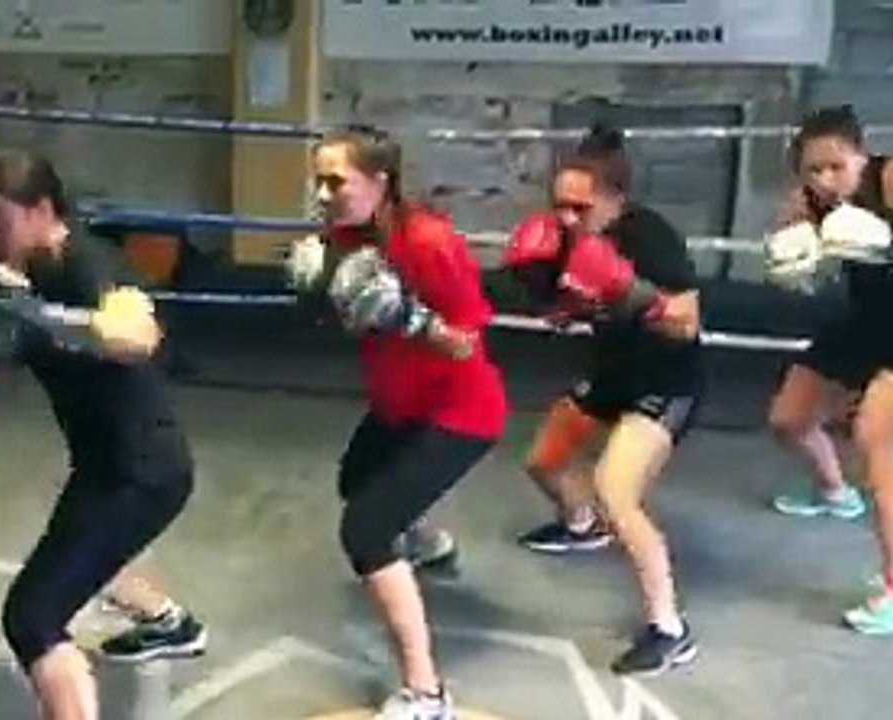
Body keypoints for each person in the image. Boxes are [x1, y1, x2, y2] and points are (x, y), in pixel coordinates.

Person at [0, 148, 205, 718]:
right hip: (105, 463)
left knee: (33, 617)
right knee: (89, 548)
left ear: (41, 209)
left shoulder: (88, 263)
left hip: (140, 474)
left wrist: (34, 316)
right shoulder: (18, 266)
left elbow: (137, 334)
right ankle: (170, 624)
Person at [291, 127, 506, 719]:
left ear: (380, 182)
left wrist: (409, 317)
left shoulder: (429, 241)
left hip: (461, 412)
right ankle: (427, 544)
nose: (325, 192)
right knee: (357, 478)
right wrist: (316, 290)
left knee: (363, 531)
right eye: (319, 181)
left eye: (337, 181)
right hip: (399, 405)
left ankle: (427, 693)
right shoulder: (343, 239)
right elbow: (331, 318)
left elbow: (465, 342)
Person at [502, 124, 702, 675]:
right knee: (542, 462)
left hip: (665, 383)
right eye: (558, 204)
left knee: (618, 491)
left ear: (615, 199)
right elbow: (561, 313)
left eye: (580, 206)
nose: (567, 217)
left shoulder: (652, 237)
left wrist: (633, 296)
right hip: (611, 374)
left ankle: (670, 629)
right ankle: (579, 527)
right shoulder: (559, 236)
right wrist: (549, 297)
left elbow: (687, 324)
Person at [762, 105, 893, 634]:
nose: (825, 178)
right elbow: (798, 269)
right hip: (867, 322)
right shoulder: (811, 201)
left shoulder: (889, 180)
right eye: (813, 169)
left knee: (878, 444)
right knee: (789, 419)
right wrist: (794, 259)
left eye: (836, 166)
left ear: (863, 156)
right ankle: (836, 494)